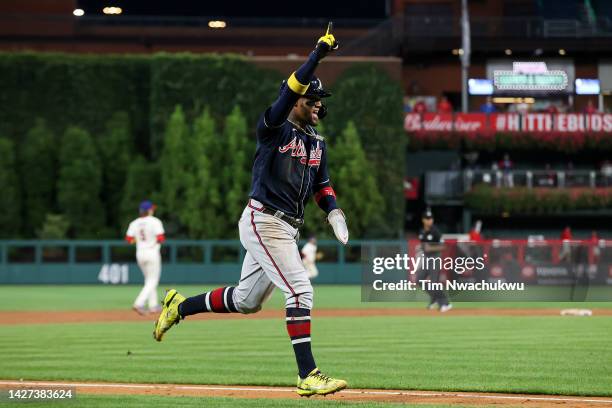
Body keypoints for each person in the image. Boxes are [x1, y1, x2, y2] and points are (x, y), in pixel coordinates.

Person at [152, 24, 349, 397]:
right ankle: (308, 375)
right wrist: (317, 56)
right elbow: (291, 87)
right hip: (264, 219)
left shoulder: (316, 142)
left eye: (320, 99)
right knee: (300, 291)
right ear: (295, 102)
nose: (320, 104)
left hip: (287, 226)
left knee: (246, 301)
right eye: (313, 99)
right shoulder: (274, 127)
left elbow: (322, 185)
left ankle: (179, 307)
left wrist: (334, 210)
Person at [125, 200, 165, 315]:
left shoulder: (134, 223)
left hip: (140, 253)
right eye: (151, 208)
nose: (152, 210)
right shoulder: (154, 221)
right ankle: (139, 303)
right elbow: (161, 238)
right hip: (152, 253)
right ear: (148, 210)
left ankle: (153, 306)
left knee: (149, 280)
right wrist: (151, 242)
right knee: (153, 280)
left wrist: (138, 240)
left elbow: (128, 240)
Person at [417, 209, 452, 312]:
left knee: (433, 283)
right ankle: (435, 299)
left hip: (435, 258)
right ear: (423, 220)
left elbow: (443, 246)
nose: (429, 221)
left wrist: (431, 248)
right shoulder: (422, 231)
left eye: (431, 218)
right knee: (419, 280)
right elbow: (424, 246)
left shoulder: (435, 231)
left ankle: (445, 304)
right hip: (427, 258)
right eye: (427, 219)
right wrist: (426, 248)